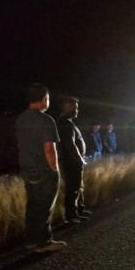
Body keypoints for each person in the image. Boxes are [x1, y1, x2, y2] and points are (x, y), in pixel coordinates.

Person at [14, 83, 66, 252]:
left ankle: (30, 240)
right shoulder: (46, 120)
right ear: (44, 99)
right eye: (48, 99)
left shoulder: (21, 119)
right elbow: (49, 149)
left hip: (27, 169)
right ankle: (44, 242)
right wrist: (55, 171)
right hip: (44, 170)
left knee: (33, 206)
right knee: (44, 207)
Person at [56, 96, 93, 224]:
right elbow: (70, 144)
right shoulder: (64, 123)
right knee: (73, 188)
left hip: (74, 160)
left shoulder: (68, 122)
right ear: (68, 107)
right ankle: (71, 216)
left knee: (78, 186)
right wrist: (79, 159)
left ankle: (80, 210)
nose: (77, 110)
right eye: (75, 108)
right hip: (71, 162)